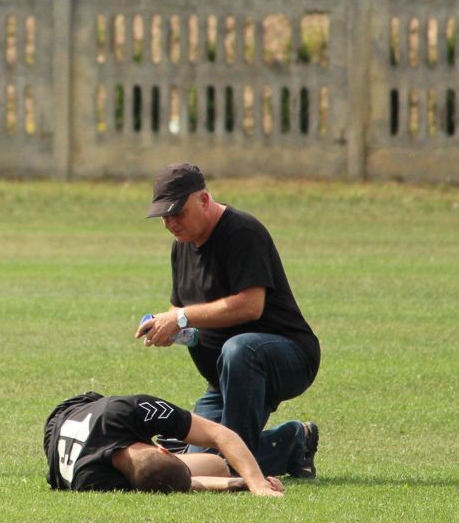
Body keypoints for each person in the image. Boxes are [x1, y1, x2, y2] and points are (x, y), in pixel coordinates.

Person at [136, 163, 321, 478]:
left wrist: (180, 317)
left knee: (239, 349)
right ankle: (291, 442)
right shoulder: (181, 247)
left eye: (177, 212)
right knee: (201, 468)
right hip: (225, 379)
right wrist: (167, 328)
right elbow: (182, 312)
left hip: (285, 357)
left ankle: (241, 469)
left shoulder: (242, 232)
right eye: (164, 216)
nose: (170, 223)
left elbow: (251, 306)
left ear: (204, 200)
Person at [44, 392, 284, 495]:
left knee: (216, 465)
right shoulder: (97, 481)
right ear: (161, 449)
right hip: (65, 421)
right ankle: (290, 442)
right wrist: (241, 483)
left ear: (162, 449)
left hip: (72, 417)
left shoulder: (132, 411)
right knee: (216, 466)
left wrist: (255, 483)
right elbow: (174, 485)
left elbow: (220, 435)